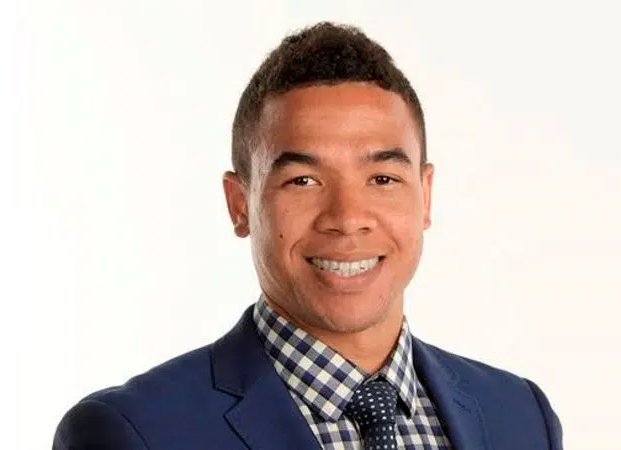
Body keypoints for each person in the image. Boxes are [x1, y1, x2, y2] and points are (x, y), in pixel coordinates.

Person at [53, 21, 563, 450]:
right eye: (303, 181)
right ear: (239, 204)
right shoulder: (135, 433)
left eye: (382, 179)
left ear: (425, 195)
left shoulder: (520, 416)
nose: (347, 217)